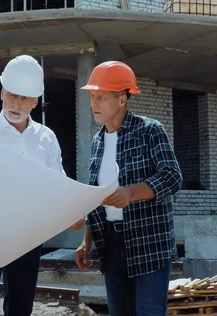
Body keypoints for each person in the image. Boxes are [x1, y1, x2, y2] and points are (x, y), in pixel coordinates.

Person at [0, 55, 80, 316]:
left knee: (21, 308)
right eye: (11, 95)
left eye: (23, 98)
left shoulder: (46, 139)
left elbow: (57, 185)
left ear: (35, 101)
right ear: (2, 93)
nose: (16, 103)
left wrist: (74, 209)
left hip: (27, 238)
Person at [74, 61, 183, 316]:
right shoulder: (98, 141)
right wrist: (86, 241)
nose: (94, 103)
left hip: (149, 242)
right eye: (92, 96)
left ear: (122, 98)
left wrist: (131, 194)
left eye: (101, 97)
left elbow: (172, 177)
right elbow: (96, 197)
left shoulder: (149, 130)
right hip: (111, 245)